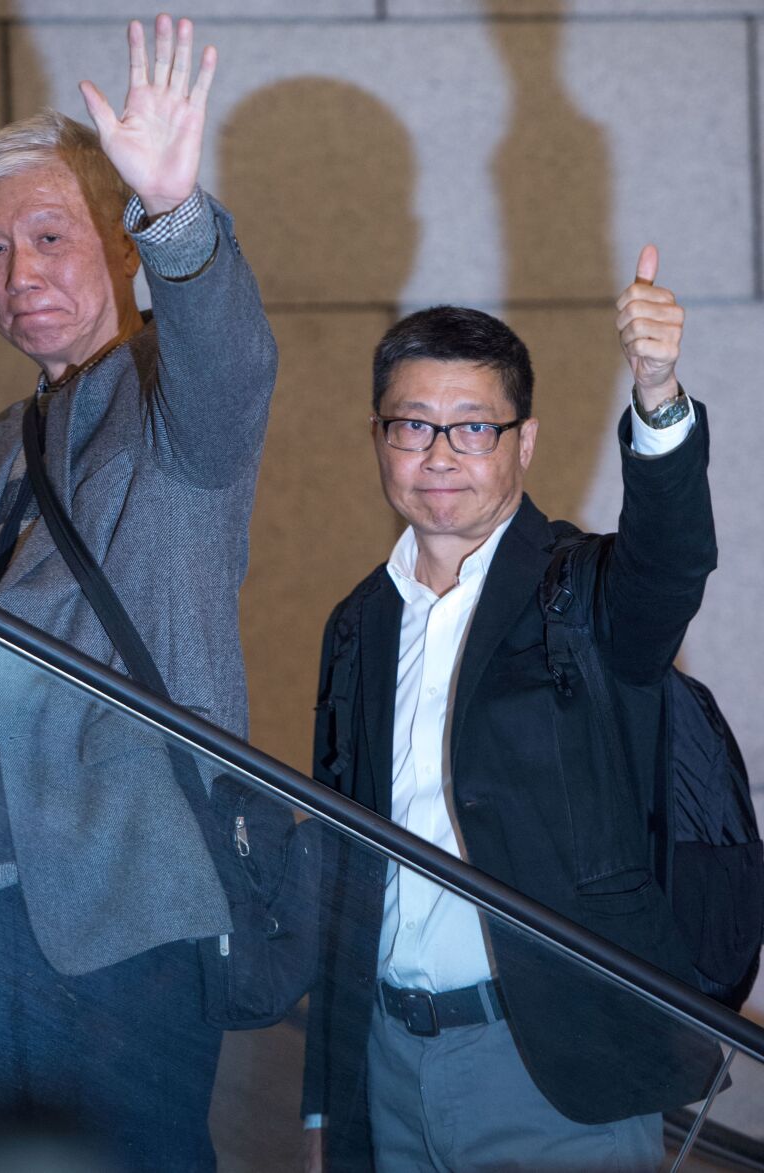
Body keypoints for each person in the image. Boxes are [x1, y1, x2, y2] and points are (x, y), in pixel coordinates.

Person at [0, 15, 277, 1171]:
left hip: (126, 902)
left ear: (117, 248)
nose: (20, 274)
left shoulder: (173, 404)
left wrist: (173, 207)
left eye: (51, 235)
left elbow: (233, 357)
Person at [303, 248, 721, 1172]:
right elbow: (345, 873)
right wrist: (325, 1107)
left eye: (473, 428)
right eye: (413, 425)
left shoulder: (584, 590)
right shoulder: (358, 624)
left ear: (523, 443)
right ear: (379, 438)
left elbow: (671, 564)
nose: (440, 454)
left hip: (547, 1060)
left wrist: (658, 395)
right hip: (387, 1060)